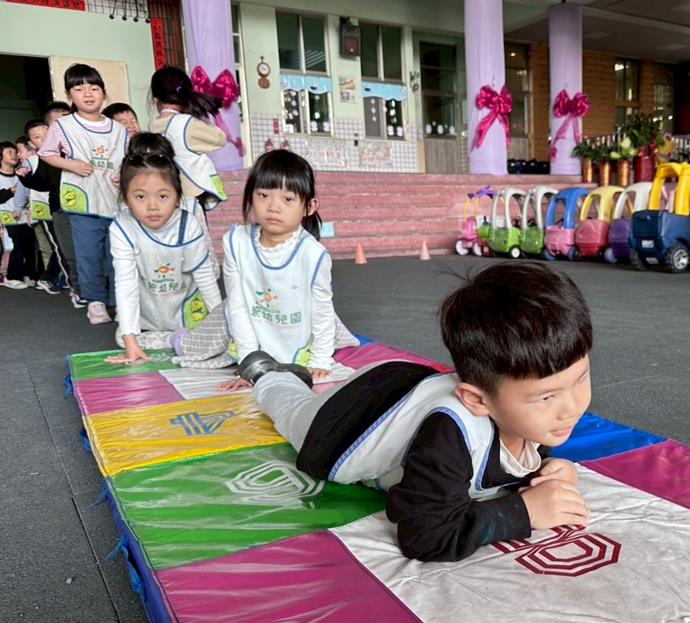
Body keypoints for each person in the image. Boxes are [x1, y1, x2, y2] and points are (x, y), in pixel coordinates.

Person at [241, 261, 593, 562]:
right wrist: (524, 511)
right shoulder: (452, 431)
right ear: (478, 400)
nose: (572, 408)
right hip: (349, 418)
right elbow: (425, 534)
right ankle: (268, 375)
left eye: (581, 379)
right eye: (546, 398)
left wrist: (546, 473)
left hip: (410, 388)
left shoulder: (528, 412)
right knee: (292, 410)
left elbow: (508, 460)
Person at [171, 149, 357, 376]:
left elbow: (322, 311)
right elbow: (238, 306)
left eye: (287, 199)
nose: (273, 207)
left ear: (309, 207)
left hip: (295, 325)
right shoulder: (236, 242)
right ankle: (181, 339)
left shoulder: (314, 255)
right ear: (250, 197)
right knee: (192, 345)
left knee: (304, 349)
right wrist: (249, 363)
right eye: (263, 195)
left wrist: (320, 360)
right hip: (246, 320)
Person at [106, 141, 222, 364]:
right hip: (149, 312)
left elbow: (205, 277)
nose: (152, 206)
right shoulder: (122, 227)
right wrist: (130, 341)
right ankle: (171, 338)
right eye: (140, 197)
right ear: (126, 199)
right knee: (123, 337)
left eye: (162, 196)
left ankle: (184, 335)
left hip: (187, 308)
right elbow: (126, 283)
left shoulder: (188, 225)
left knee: (213, 328)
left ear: (177, 197)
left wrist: (222, 324)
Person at [38, 65, 129, 324]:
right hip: (82, 199)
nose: (88, 94)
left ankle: (119, 302)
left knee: (117, 254)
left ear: (103, 92)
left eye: (94, 88)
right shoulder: (63, 125)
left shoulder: (118, 129)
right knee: (88, 255)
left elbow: (125, 159)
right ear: (70, 95)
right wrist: (72, 165)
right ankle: (95, 302)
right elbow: (46, 153)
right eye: (79, 89)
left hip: (113, 199)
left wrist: (123, 174)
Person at [20, 103, 83, 305]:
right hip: (59, 207)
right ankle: (79, 289)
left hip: (87, 205)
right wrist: (26, 177)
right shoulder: (46, 157)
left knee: (90, 249)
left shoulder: (80, 145)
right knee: (68, 252)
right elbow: (43, 183)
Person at [148, 66, 228, 212]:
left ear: (155, 100)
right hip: (191, 195)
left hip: (165, 196)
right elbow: (220, 138)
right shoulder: (187, 123)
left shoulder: (153, 126)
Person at [16, 132, 61, 294]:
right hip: (43, 210)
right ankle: (48, 278)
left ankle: (53, 277)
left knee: (55, 246)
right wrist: (20, 208)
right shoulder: (30, 163)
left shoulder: (52, 159)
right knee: (54, 247)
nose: (18, 155)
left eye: (20, 151)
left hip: (52, 208)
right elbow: (23, 188)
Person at [0, 140, 39, 290]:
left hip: (25, 216)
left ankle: (29, 274)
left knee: (30, 245)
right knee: (15, 246)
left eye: (16, 152)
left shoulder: (22, 173)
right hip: (6, 219)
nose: (14, 155)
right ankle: (12, 277)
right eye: (9, 152)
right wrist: (12, 190)